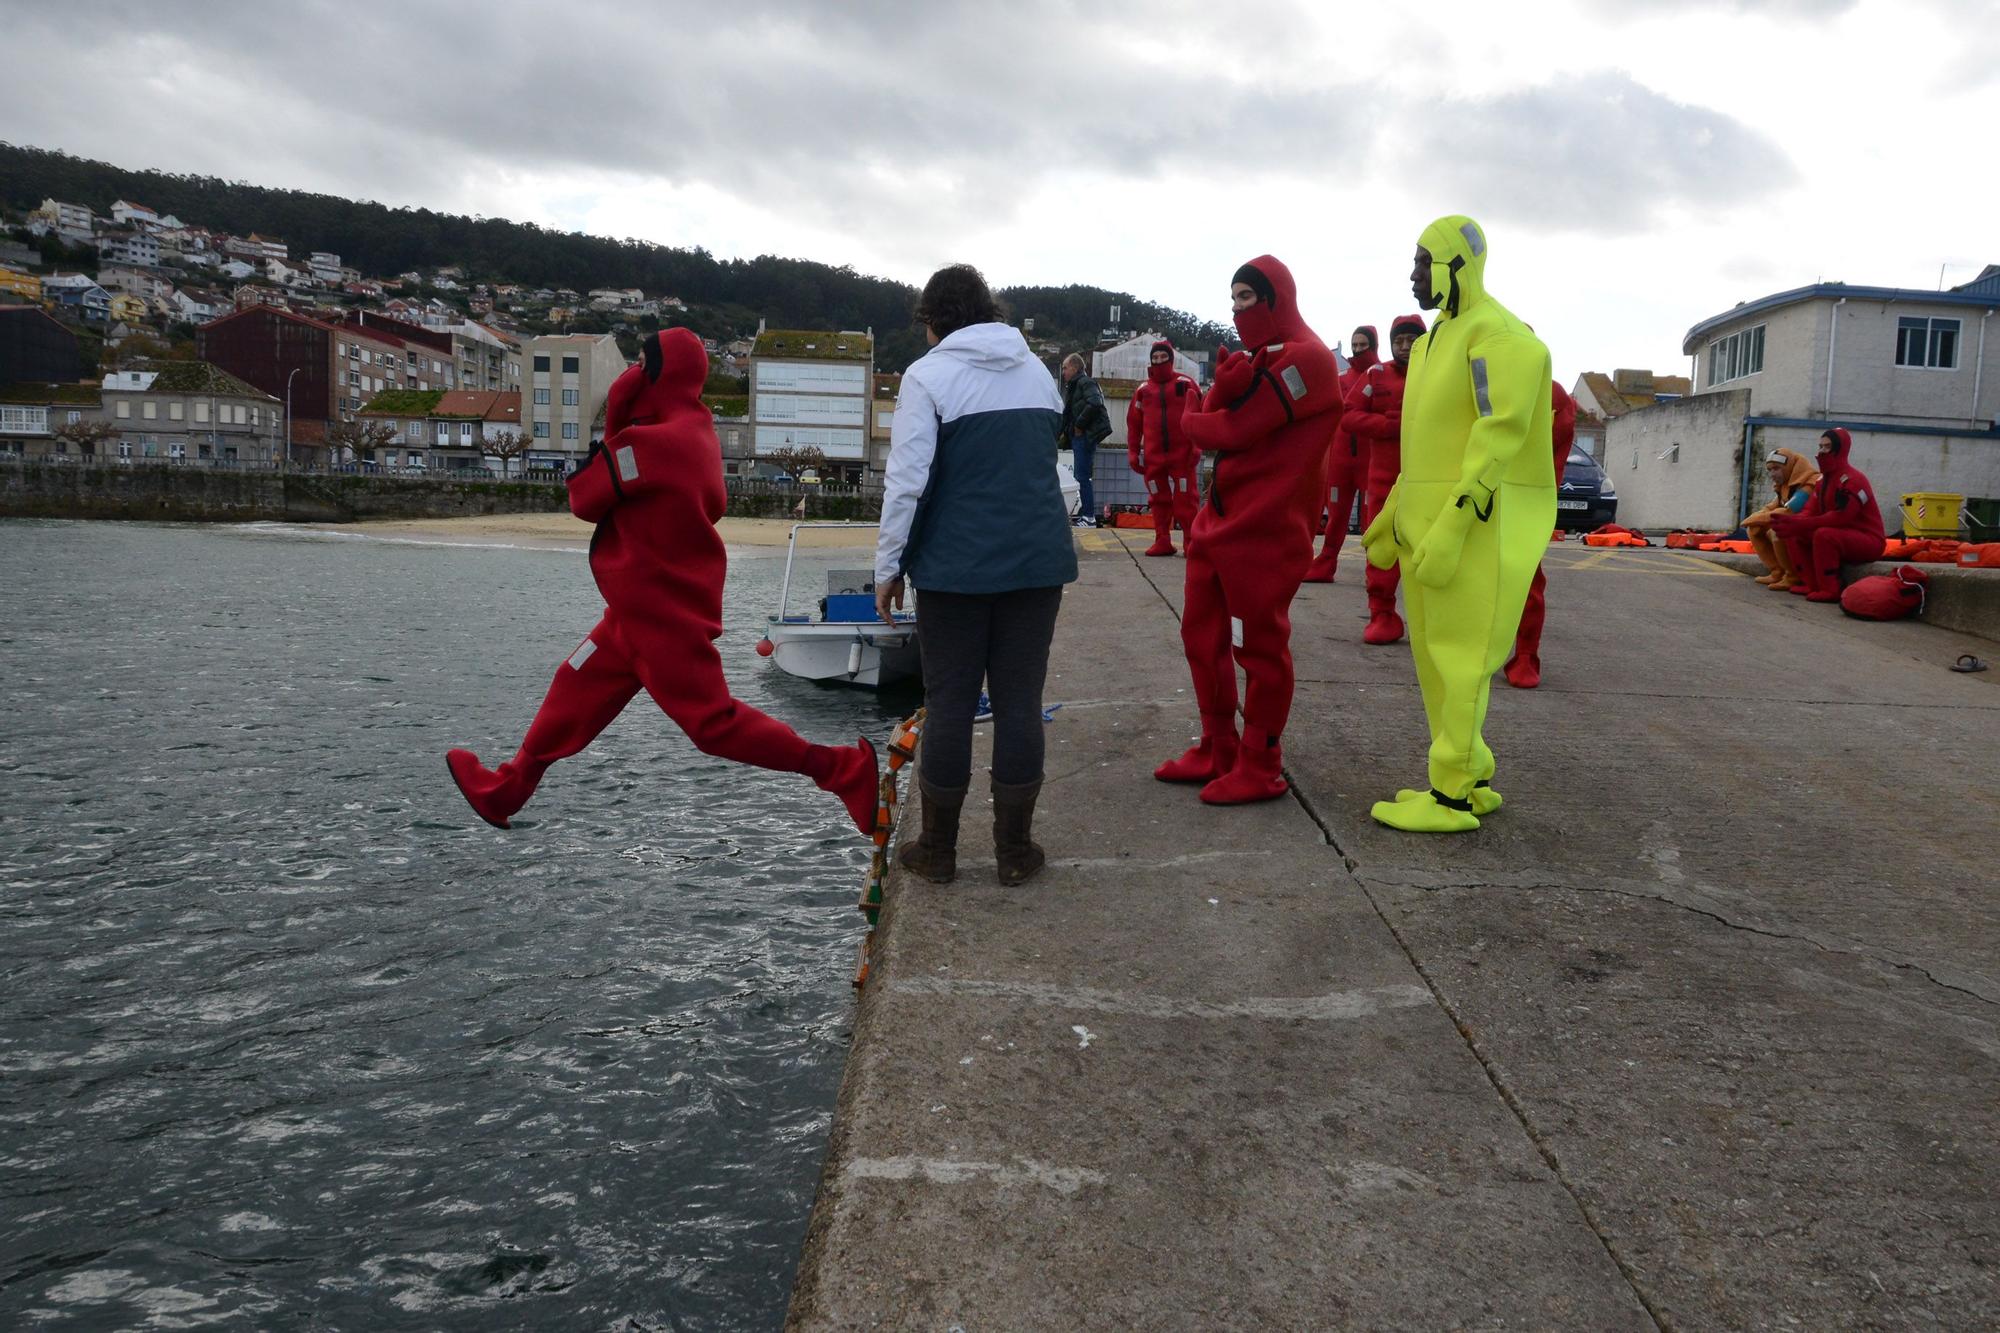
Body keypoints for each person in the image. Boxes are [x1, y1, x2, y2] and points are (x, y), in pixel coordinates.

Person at [446, 328, 878, 833]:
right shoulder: (698, 436)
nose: (631, 372)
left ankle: (842, 770)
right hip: (638, 611)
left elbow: (583, 500)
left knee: (713, 723)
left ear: (655, 374)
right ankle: (508, 788)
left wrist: (618, 412)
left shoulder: (650, 444)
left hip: (660, 616)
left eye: (639, 364)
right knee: (574, 686)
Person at [876, 264, 1078, 885]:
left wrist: (888, 568)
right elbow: (1048, 464)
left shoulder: (927, 376)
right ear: (990, 311)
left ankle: (938, 853)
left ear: (932, 320)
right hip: (1036, 563)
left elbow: (907, 482)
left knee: (951, 704)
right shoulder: (1038, 373)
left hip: (956, 570)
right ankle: (1015, 854)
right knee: (1020, 703)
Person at [1362, 216, 1556, 833]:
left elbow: (1498, 437)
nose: (1413, 275)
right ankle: (1467, 773)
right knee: (1431, 657)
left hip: (1466, 527)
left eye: (1424, 262)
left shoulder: (1497, 338)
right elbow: (1424, 443)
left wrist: (1455, 521)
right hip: (1423, 522)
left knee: (1459, 657)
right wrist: (1395, 511)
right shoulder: (1432, 342)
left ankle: (1449, 795)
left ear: (1455, 265)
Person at [1154, 255, 1340, 804]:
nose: (1237, 311)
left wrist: (1194, 417)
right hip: (1221, 523)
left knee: (1257, 647)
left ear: (1276, 296)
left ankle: (1262, 762)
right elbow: (1223, 419)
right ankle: (1219, 745)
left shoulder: (1308, 360)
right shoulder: (1263, 357)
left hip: (1267, 531)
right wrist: (1215, 397)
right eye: (1232, 299)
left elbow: (1233, 430)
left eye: (1246, 298)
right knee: (1201, 636)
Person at [1341, 313, 1428, 643]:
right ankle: (1381, 613)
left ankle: (1428, 618)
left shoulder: (1439, 372)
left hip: (1429, 481)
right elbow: (1349, 415)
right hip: (1382, 480)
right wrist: (1390, 426)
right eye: (1398, 340)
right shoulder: (1375, 374)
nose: (1404, 346)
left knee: (1427, 551)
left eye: (1411, 340)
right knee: (1380, 548)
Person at [1500, 380, 1579, 688]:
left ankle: (1524, 657)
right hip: (1480, 491)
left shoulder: (1554, 395)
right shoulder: (1482, 380)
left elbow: (1551, 456)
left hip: (1525, 497)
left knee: (1527, 580)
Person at [1772, 427, 1886, 602]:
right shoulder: (1822, 481)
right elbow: (1810, 510)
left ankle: (1830, 588)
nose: (1821, 452)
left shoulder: (1854, 480)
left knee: (1824, 535)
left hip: (1869, 540)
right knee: (1795, 534)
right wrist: (1792, 522)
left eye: (1827, 447)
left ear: (1841, 448)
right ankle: (1810, 583)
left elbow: (1842, 516)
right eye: (1820, 446)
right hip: (1842, 535)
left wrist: (1801, 523)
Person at [1302, 325, 1380, 581]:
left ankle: (1376, 569)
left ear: (1374, 346)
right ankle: (1326, 564)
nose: (1357, 350)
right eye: (1354, 345)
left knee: (1372, 518)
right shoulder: (1342, 377)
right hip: (1340, 460)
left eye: (1362, 345)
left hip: (1370, 461)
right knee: (1336, 516)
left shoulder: (1383, 375)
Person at [1125, 338, 1200, 556]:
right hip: (1154, 458)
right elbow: (1134, 423)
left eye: (1163, 357)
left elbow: (1199, 416)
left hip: (1182, 456)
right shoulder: (1143, 390)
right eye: (1155, 357)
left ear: (1171, 358)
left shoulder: (1186, 384)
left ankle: (1190, 542)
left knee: (1186, 500)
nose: (1158, 361)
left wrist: (1196, 447)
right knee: (1158, 499)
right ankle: (1162, 540)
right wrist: (1132, 452)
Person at [1744, 447, 1818, 590]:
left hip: (1810, 528)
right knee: (1754, 528)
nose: (1772, 474)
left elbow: (1789, 510)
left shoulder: (1809, 482)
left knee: (1776, 532)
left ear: (1788, 466)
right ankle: (1777, 571)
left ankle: (1792, 576)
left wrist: (1754, 518)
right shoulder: (1785, 484)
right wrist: (1755, 518)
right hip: (1795, 525)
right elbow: (1772, 506)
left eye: (1776, 469)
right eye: (1770, 470)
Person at [1058, 352, 1112, 527]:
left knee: (1083, 476)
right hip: (1080, 436)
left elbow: (1095, 402)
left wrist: (1079, 425)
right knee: (1081, 476)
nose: (1063, 372)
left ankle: (1088, 516)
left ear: (1074, 367)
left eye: (1065, 368)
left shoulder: (1084, 382)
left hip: (1085, 436)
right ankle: (1085, 515)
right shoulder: (1076, 385)